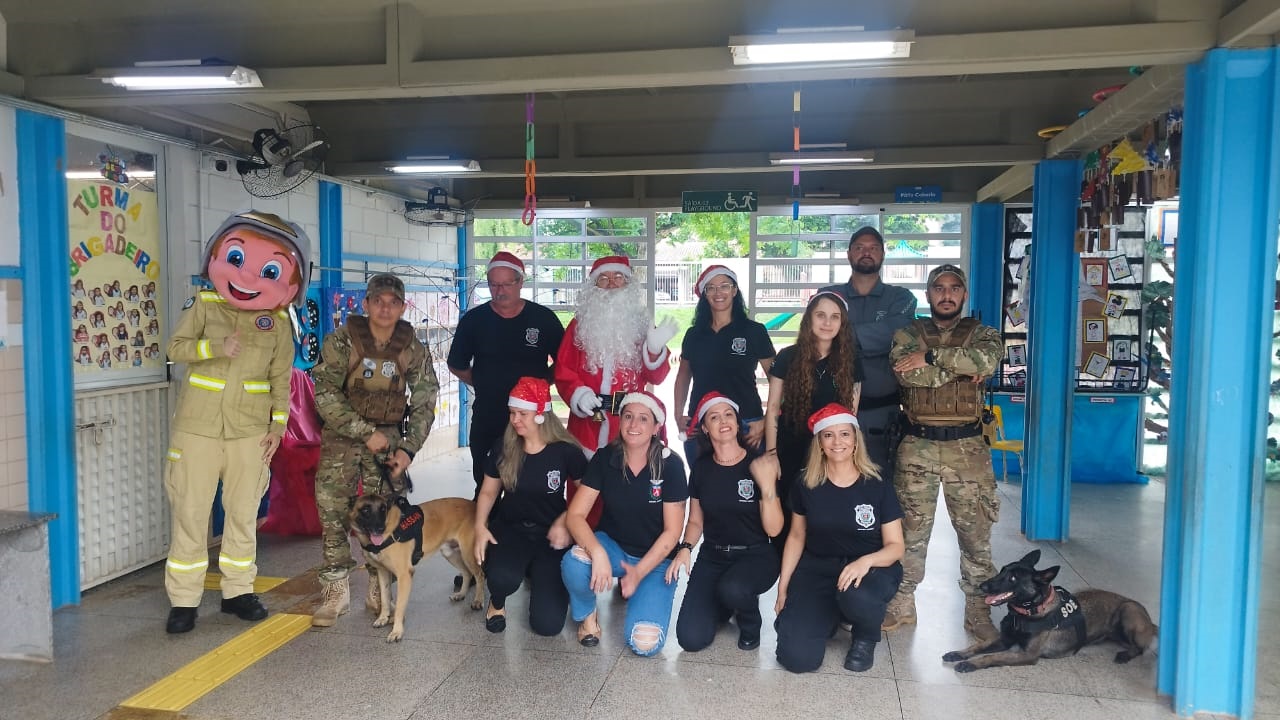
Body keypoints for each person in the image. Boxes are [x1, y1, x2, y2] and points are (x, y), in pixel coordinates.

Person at [161, 210, 307, 635]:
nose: (247, 276)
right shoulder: (204, 305)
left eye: (269, 270)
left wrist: (278, 427)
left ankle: (238, 593)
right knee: (190, 514)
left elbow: (281, 379)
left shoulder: (278, 322)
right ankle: (183, 601)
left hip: (250, 432)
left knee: (243, 515)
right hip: (198, 429)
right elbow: (174, 348)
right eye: (237, 259)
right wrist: (214, 347)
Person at [882, 264, 1003, 643]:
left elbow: (987, 362)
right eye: (939, 288)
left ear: (964, 294)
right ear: (928, 294)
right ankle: (902, 602)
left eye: (954, 288)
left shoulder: (984, 334)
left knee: (975, 534)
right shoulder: (907, 334)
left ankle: (978, 610)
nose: (946, 294)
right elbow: (908, 375)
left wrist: (931, 357)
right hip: (917, 446)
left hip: (968, 450)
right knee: (909, 532)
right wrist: (962, 365)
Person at [311, 273, 439, 628]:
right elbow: (325, 394)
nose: (385, 309)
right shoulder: (341, 341)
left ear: (403, 307)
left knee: (384, 516)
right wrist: (364, 432)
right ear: (365, 304)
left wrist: (408, 449)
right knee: (333, 511)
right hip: (343, 438)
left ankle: (377, 587)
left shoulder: (412, 348)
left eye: (393, 303)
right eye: (378, 301)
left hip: (388, 444)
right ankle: (335, 591)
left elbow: (426, 399)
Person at [774, 403, 904, 674]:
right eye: (828, 435)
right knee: (797, 659)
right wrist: (783, 588)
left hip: (871, 570)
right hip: (818, 567)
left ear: (856, 439)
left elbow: (896, 547)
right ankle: (828, 616)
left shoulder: (877, 481)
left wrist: (865, 562)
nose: (837, 442)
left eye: (845, 434)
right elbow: (796, 536)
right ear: (820, 443)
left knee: (855, 596)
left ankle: (865, 635)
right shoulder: (805, 483)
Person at [560, 391, 687, 656]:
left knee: (644, 643)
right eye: (628, 416)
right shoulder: (606, 457)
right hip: (614, 548)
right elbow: (575, 515)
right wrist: (597, 551)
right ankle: (588, 615)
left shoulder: (671, 465)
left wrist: (638, 572)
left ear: (656, 427)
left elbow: (672, 532)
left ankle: (644, 596)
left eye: (643, 419)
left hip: (656, 561)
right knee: (576, 560)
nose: (633, 424)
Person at [555, 255, 678, 526]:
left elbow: (656, 376)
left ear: (628, 283)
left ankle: (624, 541)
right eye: (603, 278)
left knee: (625, 489)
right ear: (593, 286)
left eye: (618, 277)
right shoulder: (578, 326)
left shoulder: (642, 325)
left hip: (626, 422)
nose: (611, 284)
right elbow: (563, 369)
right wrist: (579, 394)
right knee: (582, 486)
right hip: (587, 421)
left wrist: (654, 349)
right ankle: (581, 540)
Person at [473, 377, 586, 636]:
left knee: (547, 626)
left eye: (522, 414)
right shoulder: (504, 447)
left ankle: (538, 574)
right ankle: (497, 602)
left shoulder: (565, 451)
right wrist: (480, 526)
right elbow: (489, 492)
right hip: (511, 529)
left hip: (551, 536)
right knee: (502, 578)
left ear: (540, 414)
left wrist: (566, 520)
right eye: (512, 413)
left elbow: (587, 493)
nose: (515, 420)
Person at [670, 392, 782, 652]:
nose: (723, 421)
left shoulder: (759, 463)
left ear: (737, 422)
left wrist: (767, 486)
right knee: (690, 638)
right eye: (714, 417)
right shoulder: (701, 468)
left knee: (733, 588)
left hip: (755, 555)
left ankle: (750, 622)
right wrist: (685, 548)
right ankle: (726, 602)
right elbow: (695, 521)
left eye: (728, 414)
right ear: (705, 428)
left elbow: (774, 529)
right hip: (713, 556)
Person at [448, 252, 564, 496]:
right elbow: (456, 364)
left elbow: (564, 361)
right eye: (493, 284)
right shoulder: (474, 321)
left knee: (529, 485)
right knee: (486, 484)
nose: (499, 291)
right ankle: (486, 521)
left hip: (532, 420)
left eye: (506, 284)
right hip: (488, 417)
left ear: (520, 282)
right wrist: (482, 382)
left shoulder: (543, 319)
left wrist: (541, 385)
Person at [764, 291, 863, 552]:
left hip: (831, 449)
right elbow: (772, 408)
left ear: (843, 323)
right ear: (809, 318)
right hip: (791, 447)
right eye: (821, 315)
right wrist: (771, 455)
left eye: (835, 317)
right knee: (791, 510)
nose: (827, 323)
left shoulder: (851, 360)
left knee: (826, 510)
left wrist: (847, 456)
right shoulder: (787, 356)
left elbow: (851, 415)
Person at [820, 226, 918, 479]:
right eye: (860, 247)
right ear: (849, 254)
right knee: (831, 483)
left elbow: (898, 334)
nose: (867, 252)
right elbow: (816, 338)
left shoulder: (901, 297)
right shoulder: (828, 295)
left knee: (880, 484)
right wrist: (875, 338)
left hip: (883, 415)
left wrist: (839, 336)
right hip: (831, 412)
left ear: (883, 254)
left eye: (873, 248)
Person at [672, 265, 774, 463]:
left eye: (724, 286)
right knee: (703, 480)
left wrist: (766, 421)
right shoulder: (694, 334)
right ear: (705, 294)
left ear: (734, 290)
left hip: (748, 425)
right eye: (711, 288)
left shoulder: (754, 331)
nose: (718, 293)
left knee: (750, 482)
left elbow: (777, 380)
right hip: (701, 426)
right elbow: (683, 376)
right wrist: (678, 415)